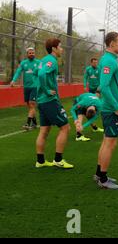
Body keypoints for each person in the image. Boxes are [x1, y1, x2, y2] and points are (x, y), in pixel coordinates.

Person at [35, 38, 73, 169]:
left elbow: (38, 73)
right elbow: (41, 75)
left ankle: (40, 161)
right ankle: (58, 160)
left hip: (41, 101)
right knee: (65, 128)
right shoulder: (52, 60)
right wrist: (46, 90)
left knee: (44, 130)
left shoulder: (44, 60)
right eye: (60, 47)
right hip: (49, 101)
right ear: (54, 48)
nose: (62, 49)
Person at [95, 32, 118, 189]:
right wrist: (116, 107)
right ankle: (103, 179)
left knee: (107, 141)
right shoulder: (108, 61)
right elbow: (105, 86)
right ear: (112, 43)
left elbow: (103, 86)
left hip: (110, 108)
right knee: (110, 143)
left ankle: (99, 174)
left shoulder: (110, 60)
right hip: (111, 110)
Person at [10, 47, 40, 130]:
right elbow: (18, 72)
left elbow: (43, 72)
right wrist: (13, 80)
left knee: (32, 104)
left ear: (34, 53)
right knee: (30, 106)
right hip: (26, 87)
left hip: (35, 86)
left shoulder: (38, 62)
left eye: (33, 53)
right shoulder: (23, 63)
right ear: (27, 54)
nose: (32, 54)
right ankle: (34, 123)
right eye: (30, 53)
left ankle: (28, 123)